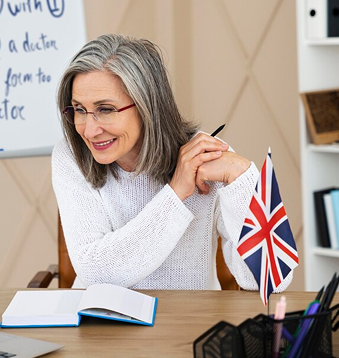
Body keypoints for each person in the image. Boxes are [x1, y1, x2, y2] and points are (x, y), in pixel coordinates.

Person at [52, 34, 292, 290]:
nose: (88, 131)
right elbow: (96, 273)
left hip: (188, 324)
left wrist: (242, 175)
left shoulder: (204, 157)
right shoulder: (72, 154)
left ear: (148, 106)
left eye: (106, 109)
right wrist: (176, 193)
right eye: (79, 109)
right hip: (100, 323)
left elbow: (271, 278)